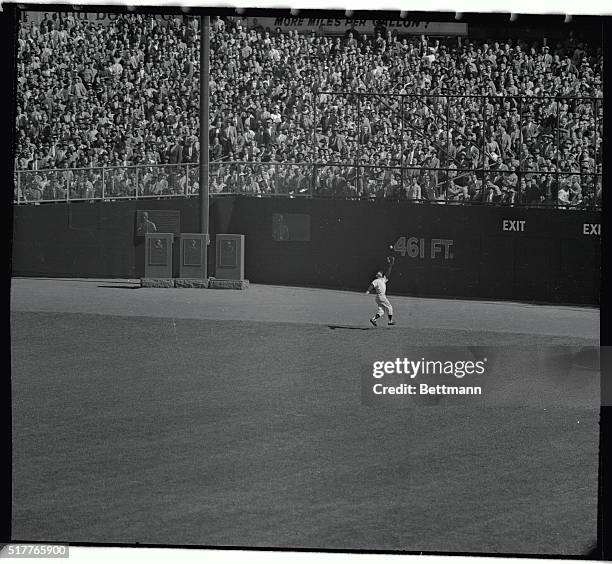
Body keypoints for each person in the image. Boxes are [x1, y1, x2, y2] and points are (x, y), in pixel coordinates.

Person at [365, 255, 395, 327]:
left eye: (380, 272)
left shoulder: (383, 279)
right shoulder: (376, 280)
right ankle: (390, 321)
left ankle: (374, 319)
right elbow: (372, 285)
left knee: (381, 311)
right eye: (379, 272)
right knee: (389, 307)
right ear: (377, 275)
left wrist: (391, 264)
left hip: (378, 298)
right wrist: (368, 290)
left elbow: (388, 272)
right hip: (381, 296)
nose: (380, 272)